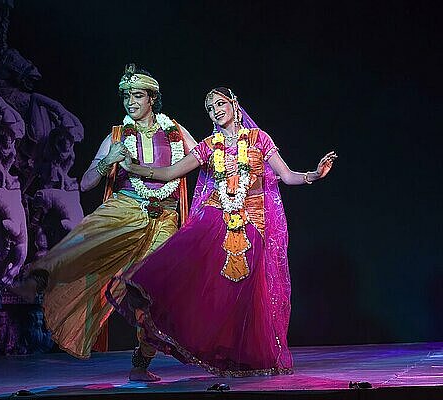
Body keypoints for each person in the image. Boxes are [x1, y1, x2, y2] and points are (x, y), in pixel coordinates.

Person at [107, 87, 337, 376]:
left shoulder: (258, 139)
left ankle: (242, 359)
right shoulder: (207, 146)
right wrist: (134, 167)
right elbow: (169, 173)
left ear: (234, 104)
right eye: (210, 107)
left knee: (245, 296)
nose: (216, 110)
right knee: (201, 287)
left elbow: (288, 176)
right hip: (215, 223)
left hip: (253, 225)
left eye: (220, 103)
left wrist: (314, 174)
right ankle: (148, 354)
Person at [11, 64, 197, 381]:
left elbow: (205, 158)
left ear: (152, 99)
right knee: (90, 232)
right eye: (126, 97)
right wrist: (107, 162)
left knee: (151, 291)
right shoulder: (116, 136)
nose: (130, 102)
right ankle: (41, 275)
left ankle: (141, 363)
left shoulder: (175, 132)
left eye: (137, 96)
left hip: (164, 217)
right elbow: (85, 183)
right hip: (126, 208)